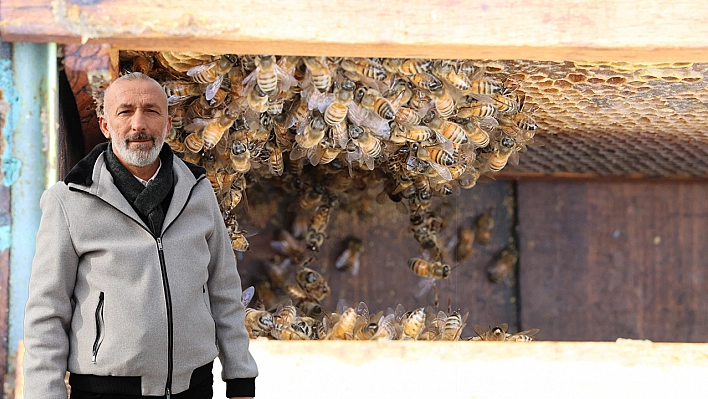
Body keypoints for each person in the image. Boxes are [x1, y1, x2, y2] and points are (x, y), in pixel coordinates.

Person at [23, 72, 258, 399]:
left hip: (195, 387)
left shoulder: (198, 192)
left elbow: (224, 289)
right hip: (105, 390)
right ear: (105, 126)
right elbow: (46, 313)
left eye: (151, 111)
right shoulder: (69, 201)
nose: (139, 124)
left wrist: (241, 378)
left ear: (167, 123)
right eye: (125, 111)